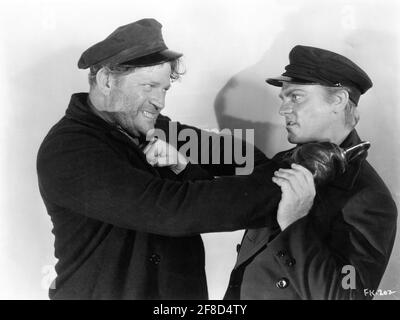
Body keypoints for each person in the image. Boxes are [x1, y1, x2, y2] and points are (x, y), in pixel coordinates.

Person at [37, 18, 311, 300]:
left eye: (164, 89)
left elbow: (246, 159)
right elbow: (172, 210)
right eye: (148, 86)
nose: (160, 102)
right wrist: (297, 182)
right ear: (107, 80)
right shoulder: (68, 149)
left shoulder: (155, 127)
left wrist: (185, 166)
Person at [224, 45, 398, 300]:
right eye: (283, 99)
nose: (283, 110)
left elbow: (349, 296)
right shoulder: (286, 161)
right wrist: (183, 168)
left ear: (338, 100)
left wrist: (295, 225)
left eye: (296, 97)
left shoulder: (370, 199)